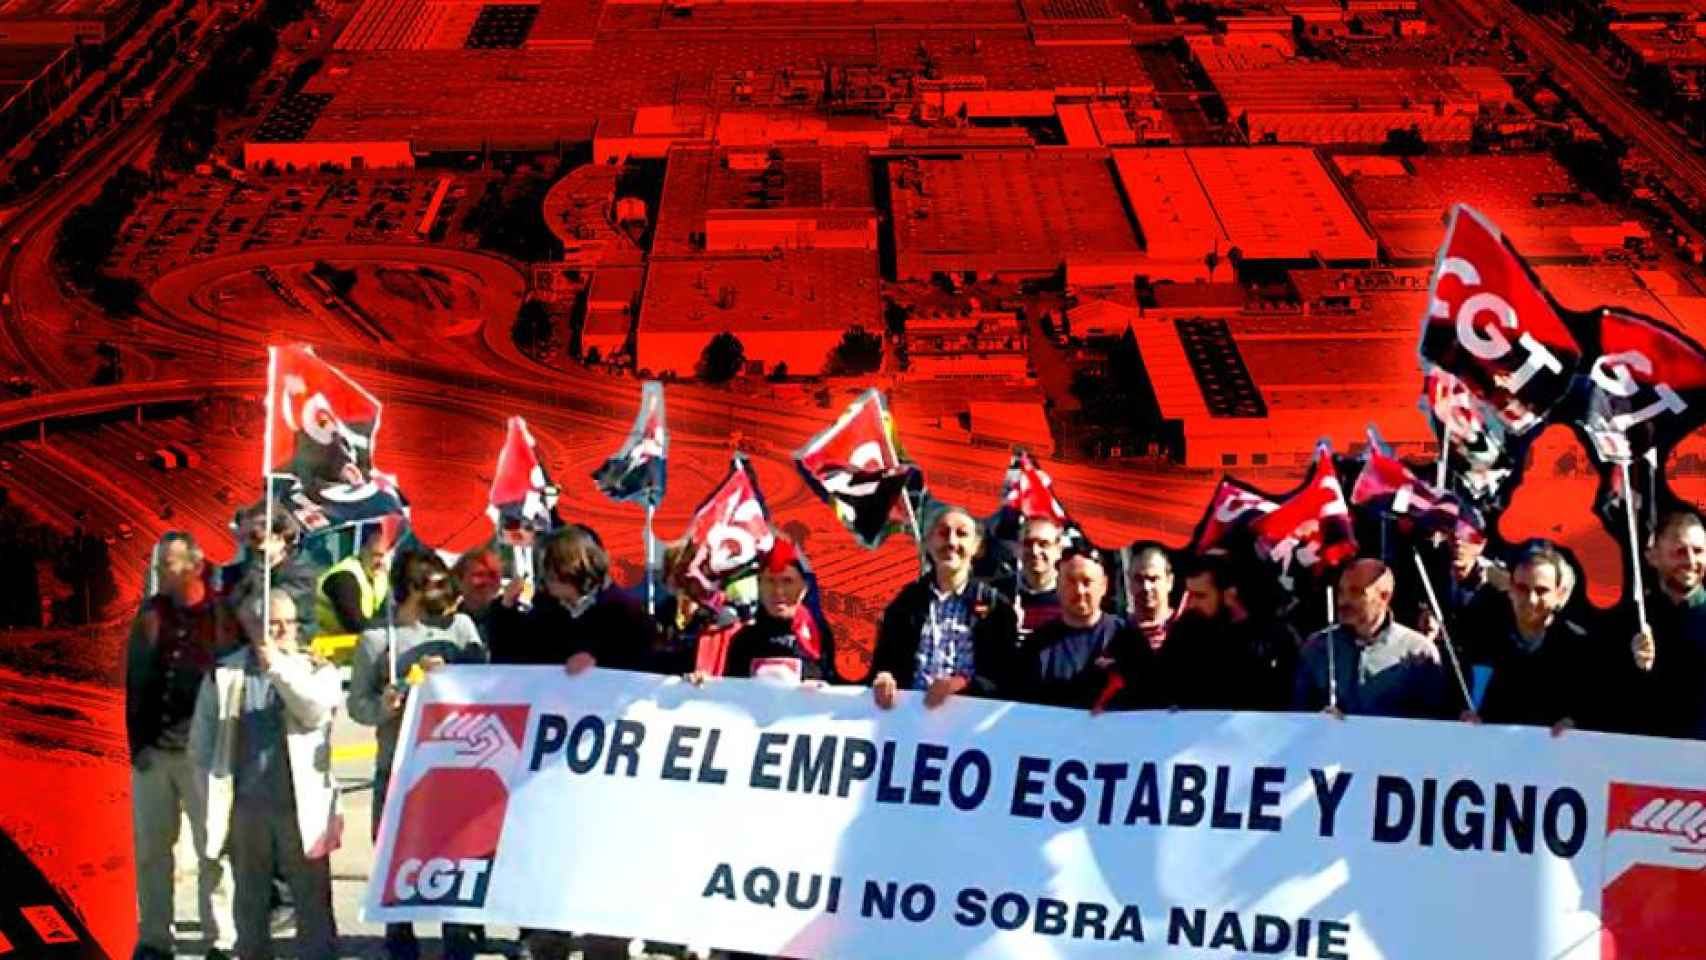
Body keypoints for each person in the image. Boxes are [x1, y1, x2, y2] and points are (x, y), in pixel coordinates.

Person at [347, 550, 488, 960]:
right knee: (395, 850)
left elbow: (488, 682)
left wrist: (454, 675)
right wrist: (385, 706)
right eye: (435, 584)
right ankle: (399, 930)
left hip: (455, 761)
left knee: (457, 848)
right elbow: (358, 704)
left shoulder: (461, 628)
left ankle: (460, 930)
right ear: (410, 589)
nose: (447, 592)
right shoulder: (377, 638)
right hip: (398, 763)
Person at [191, 590, 341, 960]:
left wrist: (278, 667)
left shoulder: (315, 667)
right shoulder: (225, 674)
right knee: (250, 899)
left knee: (312, 899)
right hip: (246, 807)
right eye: (274, 624)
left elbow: (315, 710)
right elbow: (201, 743)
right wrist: (209, 796)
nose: (285, 631)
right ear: (252, 627)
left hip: (300, 806)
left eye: (290, 623)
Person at [126, 532, 236, 960]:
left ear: (193, 565)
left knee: (214, 850)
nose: (158, 573)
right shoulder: (150, 614)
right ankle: (155, 937)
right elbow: (135, 678)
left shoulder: (219, 614)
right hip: (155, 751)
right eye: (157, 565)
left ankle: (221, 938)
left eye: (166, 565)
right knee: (153, 849)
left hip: (203, 752)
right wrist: (137, 744)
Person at [870, 505, 1018, 709]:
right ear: (929, 542)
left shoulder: (996, 607)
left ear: (977, 546)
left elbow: (1004, 677)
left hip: (969, 725)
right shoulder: (906, 601)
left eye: (962, 534)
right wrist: (885, 677)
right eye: (943, 533)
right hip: (907, 721)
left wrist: (960, 684)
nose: (951, 542)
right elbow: (885, 659)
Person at [1294, 558, 1452, 719]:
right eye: (1341, 591)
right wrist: (1316, 720)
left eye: (1356, 592)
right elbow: (1295, 714)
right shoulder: (1317, 648)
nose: (1343, 601)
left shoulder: (1418, 652)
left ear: (1384, 597)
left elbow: (1436, 721)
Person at [1465, 542, 1596, 735]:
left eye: (1542, 591)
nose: (1531, 599)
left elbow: (1595, 707)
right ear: (1510, 588)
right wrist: (1464, 715)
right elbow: (1455, 698)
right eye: (1522, 589)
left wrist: (1575, 722)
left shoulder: (1580, 648)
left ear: (1559, 594)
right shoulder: (1482, 640)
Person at [488, 525, 657, 671]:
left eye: (549, 566)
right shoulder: (546, 611)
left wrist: (599, 660)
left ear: (571, 567)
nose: (544, 575)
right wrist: (506, 607)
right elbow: (511, 659)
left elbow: (643, 666)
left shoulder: (625, 612)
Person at [1161, 551, 1298, 711]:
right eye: (1189, 594)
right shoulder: (1184, 634)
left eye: (1200, 596)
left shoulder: (1271, 638)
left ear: (1229, 595)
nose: (1191, 604)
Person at [1011, 547, 1146, 709]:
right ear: (1058, 586)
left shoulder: (1127, 639)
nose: (1079, 590)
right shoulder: (1037, 645)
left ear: (1104, 585)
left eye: (1087, 582)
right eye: (1071, 581)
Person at [1629, 510, 1706, 739]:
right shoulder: (1630, 621)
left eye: (1699, 551)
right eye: (1680, 552)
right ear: (1653, 557)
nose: (1691, 561)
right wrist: (1631, 666)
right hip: (1645, 758)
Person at [721, 539, 835, 683]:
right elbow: (728, 697)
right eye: (770, 581)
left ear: (804, 588)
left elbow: (853, 691)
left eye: (787, 581)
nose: (778, 591)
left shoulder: (826, 638)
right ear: (759, 585)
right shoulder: (743, 641)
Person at [316, 520, 394, 636]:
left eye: (387, 555)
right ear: (362, 551)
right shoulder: (343, 578)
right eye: (377, 555)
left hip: (358, 644)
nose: (382, 562)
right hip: (326, 645)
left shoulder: (380, 574)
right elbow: (355, 625)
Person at [998, 516, 1065, 633]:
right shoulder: (999, 592)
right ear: (1017, 548)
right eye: (1028, 544)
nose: (1035, 551)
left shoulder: (1071, 594)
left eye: (1043, 544)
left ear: (1059, 549)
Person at [1124, 541, 1180, 653]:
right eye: (1139, 579)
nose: (1146, 587)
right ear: (1129, 582)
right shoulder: (1116, 634)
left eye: (1153, 579)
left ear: (1169, 582)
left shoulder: (1187, 632)